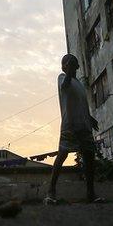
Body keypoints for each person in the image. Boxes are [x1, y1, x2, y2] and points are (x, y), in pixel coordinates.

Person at [45, 54, 103, 204]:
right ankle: (51, 192)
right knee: (62, 155)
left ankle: (91, 194)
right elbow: (64, 86)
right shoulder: (62, 78)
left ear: (77, 66)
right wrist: (69, 72)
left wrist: (89, 118)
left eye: (72, 64)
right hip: (70, 125)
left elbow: (80, 104)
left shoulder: (79, 84)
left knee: (89, 158)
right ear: (63, 67)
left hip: (84, 125)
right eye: (66, 64)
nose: (69, 66)